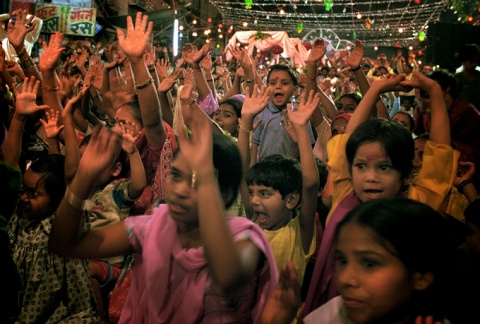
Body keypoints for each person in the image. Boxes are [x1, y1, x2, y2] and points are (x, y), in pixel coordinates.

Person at [49, 32, 278, 324]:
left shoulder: (245, 239)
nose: (180, 189)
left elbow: (227, 272)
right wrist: (83, 178)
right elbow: (64, 244)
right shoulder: (152, 229)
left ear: (225, 192)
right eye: (178, 176)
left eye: (198, 182)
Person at [301, 71, 459, 319]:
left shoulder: (413, 210)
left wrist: (435, 93)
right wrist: (374, 90)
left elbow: (440, 155)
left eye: (383, 168)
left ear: (406, 174)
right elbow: (347, 142)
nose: (370, 177)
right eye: (361, 166)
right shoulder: (345, 192)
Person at [263, 198, 457, 324]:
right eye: (342, 260)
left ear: (421, 276)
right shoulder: (335, 315)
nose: (345, 279)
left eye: (369, 263)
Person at [5, 76, 101, 322]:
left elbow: (70, 176)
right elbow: (10, 168)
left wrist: (67, 121)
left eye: (34, 194)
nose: (23, 198)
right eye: (24, 190)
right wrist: (18, 118)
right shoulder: (21, 223)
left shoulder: (60, 228)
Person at [239, 84, 321, 286]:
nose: (255, 201)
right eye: (252, 193)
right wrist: (246, 123)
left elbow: (310, 185)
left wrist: (301, 129)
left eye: (265, 194)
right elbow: (240, 173)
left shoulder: (299, 233)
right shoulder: (254, 224)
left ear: (291, 200)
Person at [251, 64, 315, 161]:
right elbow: (254, 146)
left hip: (291, 170)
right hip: (265, 170)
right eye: (273, 83)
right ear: (267, 88)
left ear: (295, 90)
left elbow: (307, 151)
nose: (278, 87)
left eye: (284, 83)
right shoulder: (261, 113)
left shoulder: (301, 116)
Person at [454, 44, 480, 110]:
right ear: (463, 60)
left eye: (476, 61)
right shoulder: (457, 78)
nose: (474, 64)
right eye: (471, 61)